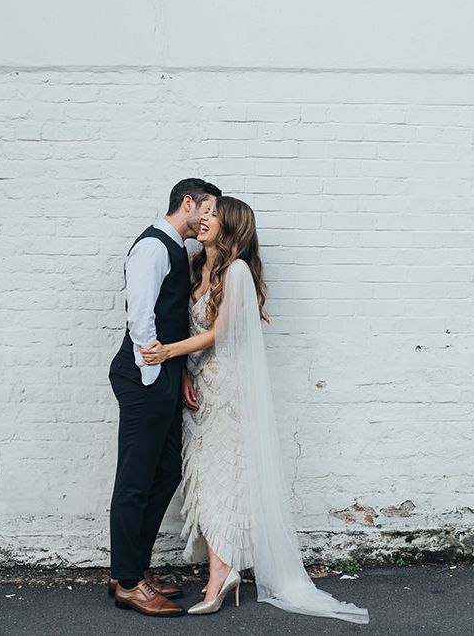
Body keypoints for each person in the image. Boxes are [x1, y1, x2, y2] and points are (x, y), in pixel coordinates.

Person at [140, 196, 370, 623]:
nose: (204, 220)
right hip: (200, 389)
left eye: (213, 216)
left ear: (231, 228)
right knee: (204, 480)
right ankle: (221, 569)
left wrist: (166, 353)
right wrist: (185, 372)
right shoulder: (195, 267)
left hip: (228, 389)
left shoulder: (237, 272)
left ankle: (221, 572)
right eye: (203, 214)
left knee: (225, 478)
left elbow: (218, 332)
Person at [107, 178, 222, 617]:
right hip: (143, 377)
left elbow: (170, 315)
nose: (210, 219)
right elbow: (140, 317)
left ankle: (129, 566)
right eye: (207, 209)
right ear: (188, 203)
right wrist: (157, 375)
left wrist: (179, 373)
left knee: (167, 469)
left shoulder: (176, 248)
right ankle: (128, 582)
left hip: (164, 375)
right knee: (135, 479)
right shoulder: (154, 247)